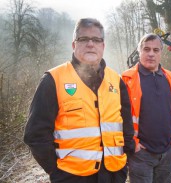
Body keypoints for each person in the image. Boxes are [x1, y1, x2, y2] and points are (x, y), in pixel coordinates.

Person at [24, 18, 135, 183]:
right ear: (74, 44)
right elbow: (35, 134)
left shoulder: (116, 80)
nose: (90, 44)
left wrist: (125, 162)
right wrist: (56, 172)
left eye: (96, 40)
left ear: (103, 46)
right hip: (71, 176)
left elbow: (126, 126)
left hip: (113, 174)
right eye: (83, 39)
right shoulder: (53, 79)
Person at [121, 33, 171, 183]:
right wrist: (133, 143)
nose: (151, 54)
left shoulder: (170, 78)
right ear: (139, 51)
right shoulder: (127, 79)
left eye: (156, 50)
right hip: (140, 155)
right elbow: (117, 116)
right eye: (146, 49)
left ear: (161, 53)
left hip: (168, 152)